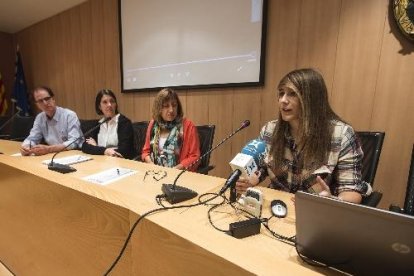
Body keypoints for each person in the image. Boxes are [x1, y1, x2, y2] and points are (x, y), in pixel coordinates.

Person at [236, 68, 371, 204]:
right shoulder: (270, 131)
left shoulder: (341, 135)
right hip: (278, 207)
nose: (283, 100)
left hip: (317, 212)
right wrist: (251, 179)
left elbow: (352, 192)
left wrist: (332, 201)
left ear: (312, 99)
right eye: (281, 93)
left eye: (292, 94)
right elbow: (264, 167)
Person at [142, 88, 200, 171]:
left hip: (179, 175)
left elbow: (195, 156)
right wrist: (151, 165)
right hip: (155, 173)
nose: (171, 110)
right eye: (166, 106)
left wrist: (175, 170)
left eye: (174, 105)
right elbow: (145, 152)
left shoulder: (188, 126)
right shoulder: (153, 124)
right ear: (159, 109)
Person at [20, 86, 83, 156]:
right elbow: (32, 138)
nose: (45, 103)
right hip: (54, 154)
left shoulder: (69, 115)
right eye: (40, 101)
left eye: (47, 99)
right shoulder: (40, 118)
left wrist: (48, 149)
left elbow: (74, 143)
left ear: (53, 99)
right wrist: (26, 146)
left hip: (74, 153)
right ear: (37, 105)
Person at [81, 89, 134, 159]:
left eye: (112, 101)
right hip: (101, 161)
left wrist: (96, 148)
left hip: (119, 162)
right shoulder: (98, 124)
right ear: (99, 107)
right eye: (105, 102)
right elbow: (85, 146)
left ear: (115, 105)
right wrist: (105, 151)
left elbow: (124, 150)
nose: (109, 105)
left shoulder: (124, 123)